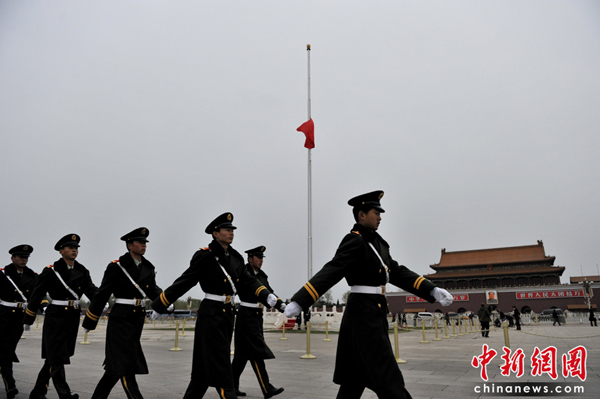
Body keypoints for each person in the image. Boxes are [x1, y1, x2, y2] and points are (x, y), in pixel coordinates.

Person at [284, 190, 453, 399]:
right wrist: (301, 300)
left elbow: (397, 272)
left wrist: (431, 289)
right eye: (376, 212)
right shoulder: (354, 241)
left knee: (353, 381)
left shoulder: (378, 244)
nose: (380, 217)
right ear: (361, 214)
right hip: (363, 316)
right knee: (389, 378)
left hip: (373, 312)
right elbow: (332, 270)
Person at [151, 213, 285, 399]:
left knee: (202, 374)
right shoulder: (205, 256)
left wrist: (268, 296)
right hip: (211, 316)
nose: (231, 233)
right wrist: (160, 304)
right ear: (215, 233)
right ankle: (228, 392)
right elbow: (184, 281)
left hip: (228, 315)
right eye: (227, 230)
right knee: (221, 368)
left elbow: (249, 281)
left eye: (232, 230)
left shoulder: (236, 258)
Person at [82, 227, 165, 399]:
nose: (143, 245)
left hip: (137, 319)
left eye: (145, 243)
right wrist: (90, 320)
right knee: (126, 365)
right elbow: (102, 294)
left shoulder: (148, 267)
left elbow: (152, 289)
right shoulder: (117, 267)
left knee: (116, 367)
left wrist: (165, 301)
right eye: (139, 242)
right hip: (121, 319)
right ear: (129, 245)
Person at [24, 234, 98, 399]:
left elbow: (92, 291)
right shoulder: (51, 271)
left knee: (55, 357)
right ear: (61, 251)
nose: (74, 250)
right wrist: (28, 318)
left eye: (76, 248)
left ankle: (37, 393)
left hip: (72, 317)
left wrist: (102, 301)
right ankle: (65, 395)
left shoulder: (82, 271)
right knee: (57, 358)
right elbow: (37, 295)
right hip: (55, 317)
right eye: (70, 247)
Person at [231, 246, 284, 398]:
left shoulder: (262, 275)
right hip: (246, 316)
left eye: (262, 258)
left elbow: (269, 292)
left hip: (256, 316)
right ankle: (266, 388)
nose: (261, 260)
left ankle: (231, 386)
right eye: (258, 257)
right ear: (250, 258)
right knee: (256, 352)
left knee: (241, 355)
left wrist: (282, 305)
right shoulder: (244, 272)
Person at [1, 245, 39, 399]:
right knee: (5, 351)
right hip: (3, 317)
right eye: (20, 257)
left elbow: (37, 295)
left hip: (20, 319)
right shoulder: (3, 275)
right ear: (12, 258)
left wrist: (43, 306)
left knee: (8, 350)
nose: (24, 260)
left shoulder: (32, 276)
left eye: (26, 257)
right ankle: (10, 385)